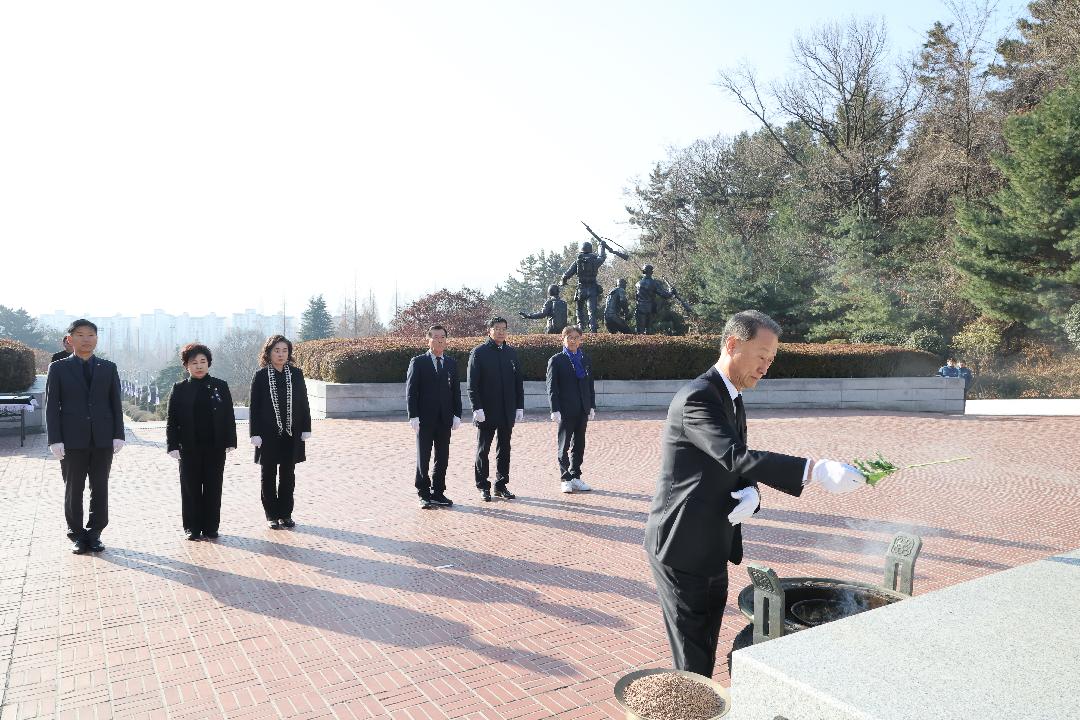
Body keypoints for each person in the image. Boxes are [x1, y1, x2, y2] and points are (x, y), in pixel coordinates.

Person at [644, 310, 867, 677]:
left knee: (705, 646)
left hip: (711, 543)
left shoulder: (731, 397)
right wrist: (814, 469)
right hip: (681, 546)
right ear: (733, 345)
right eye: (762, 356)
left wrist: (752, 493)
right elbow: (736, 455)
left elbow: (732, 466)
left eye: (771, 359)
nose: (767, 366)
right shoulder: (698, 397)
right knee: (693, 657)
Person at [45, 319, 125, 554]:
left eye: (91, 334)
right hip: (71, 440)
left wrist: (118, 434)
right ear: (70, 339)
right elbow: (52, 406)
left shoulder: (108, 367)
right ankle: (77, 535)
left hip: (102, 439)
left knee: (100, 487)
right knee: (73, 488)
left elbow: (115, 404)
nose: (86, 339)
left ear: (96, 339)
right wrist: (55, 439)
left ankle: (95, 532)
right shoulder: (58, 368)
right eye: (80, 335)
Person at [166, 343, 238, 540]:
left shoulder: (220, 386)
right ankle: (192, 527)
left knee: (214, 487)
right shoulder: (179, 389)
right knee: (190, 488)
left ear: (209, 363)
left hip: (215, 446)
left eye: (203, 362)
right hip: (189, 447)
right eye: (194, 362)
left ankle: (211, 526)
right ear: (186, 365)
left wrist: (231, 440)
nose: (199, 366)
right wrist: (172, 445)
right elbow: (172, 419)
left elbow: (228, 416)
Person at [249, 335, 312, 529]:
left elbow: (304, 403)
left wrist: (306, 428)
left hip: (291, 433)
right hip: (267, 434)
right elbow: (254, 406)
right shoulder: (260, 376)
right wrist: (254, 433)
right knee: (268, 473)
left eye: (285, 350)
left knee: (288, 474)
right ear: (268, 352)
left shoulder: (296, 374)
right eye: (277, 350)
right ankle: (271, 514)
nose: (281, 354)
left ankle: (286, 513)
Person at [467, 317, 524, 501]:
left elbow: (518, 383)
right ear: (489, 330)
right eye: (497, 328)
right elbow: (472, 385)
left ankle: (501, 485)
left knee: (504, 448)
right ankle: (483, 486)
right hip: (486, 411)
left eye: (503, 329)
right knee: (483, 449)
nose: (500, 332)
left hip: (507, 410)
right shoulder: (479, 352)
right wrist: (477, 408)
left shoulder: (511, 353)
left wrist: (519, 407)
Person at [406, 325, 462, 509]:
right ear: (428, 339)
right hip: (424, 419)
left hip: (445, 418)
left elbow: (455, 392)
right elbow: (411, 391)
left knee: (442, 457)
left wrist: (457, 414)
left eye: (443, 337)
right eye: (436, 337)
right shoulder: (418, 362)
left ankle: (438, 492)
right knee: (424, 456)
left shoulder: (451, 363)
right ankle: (423, 493)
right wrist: (413, 415)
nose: (440, 340)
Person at [546, 325, 596, 493]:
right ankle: (565, 477)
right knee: (564, 445)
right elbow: (552, 387)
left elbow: (590, 385)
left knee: (579, 444)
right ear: (564, 339)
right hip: (565, 410)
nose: (573, 340)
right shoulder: (557, 360)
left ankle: (575, 476)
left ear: (581, 340)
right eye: (570, 337)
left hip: (582, 408)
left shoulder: (585, 359)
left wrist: (591, 406)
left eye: (576, 337)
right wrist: (555, 409)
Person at [561, 240, 608, 333]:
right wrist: (601, 246)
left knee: (579, 310)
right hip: (592, 288)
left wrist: (563, 281)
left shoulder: (578, 261)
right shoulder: (595, 261)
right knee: (592, 311)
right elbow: (602, 257)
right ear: (590, 250)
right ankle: (593, 330)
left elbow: (566, 274)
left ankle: (580, 328)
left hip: (581, 289)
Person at [635, 264, 674, 335]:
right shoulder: (654, 283)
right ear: (652, 272)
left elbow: (636, 297)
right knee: (649, 329)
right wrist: (671, 291)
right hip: (649, 308)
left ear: (643, 272)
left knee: (640, 330)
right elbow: (665, 295)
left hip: (639, 308)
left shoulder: (637, 284)